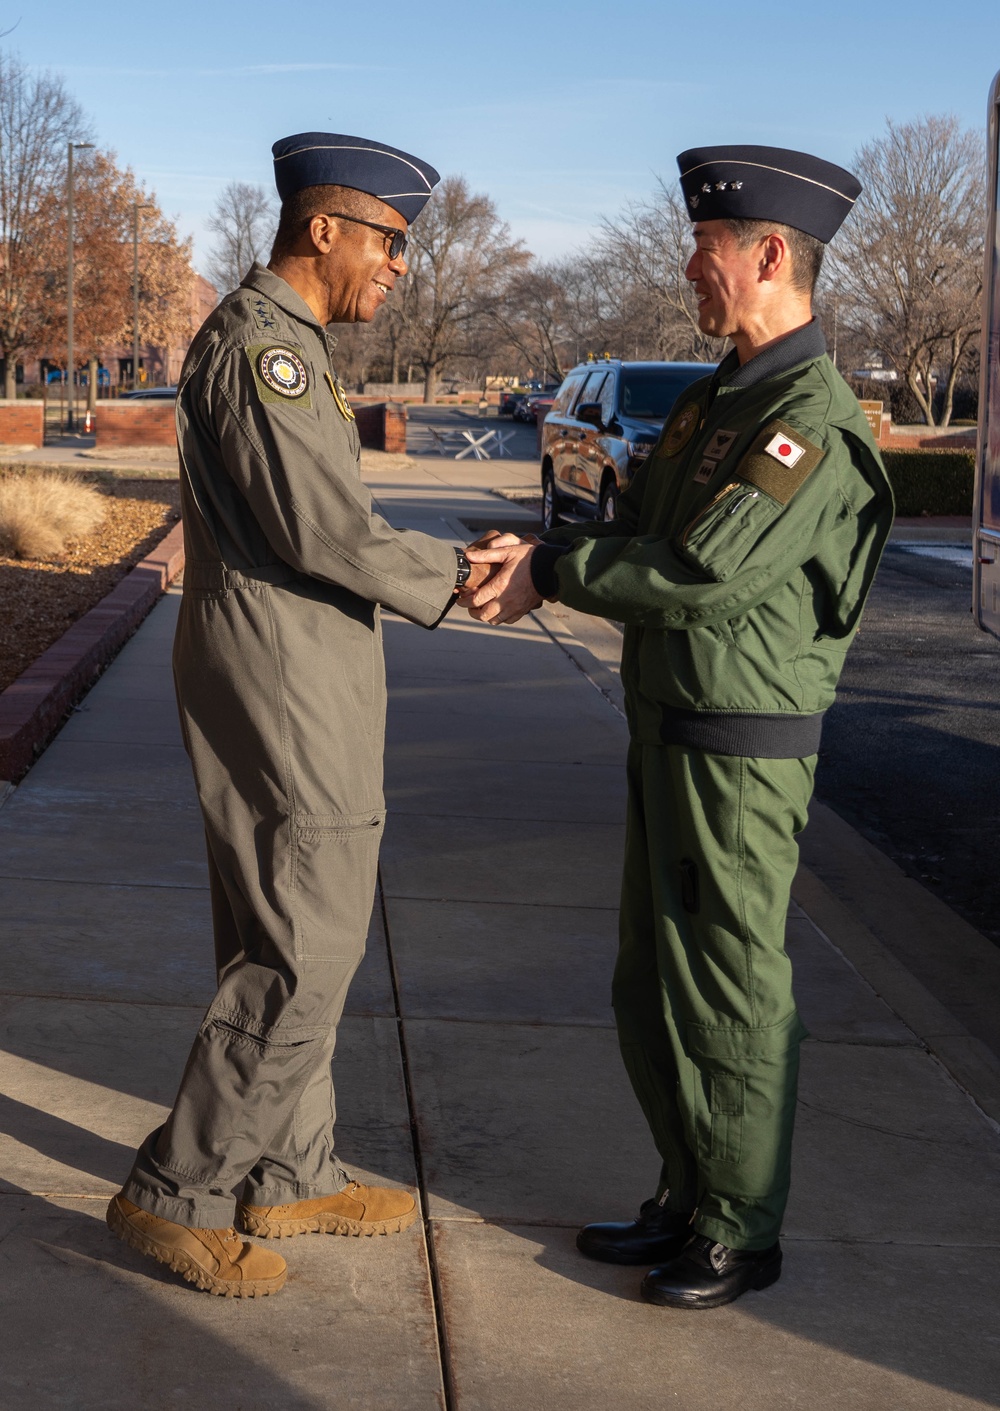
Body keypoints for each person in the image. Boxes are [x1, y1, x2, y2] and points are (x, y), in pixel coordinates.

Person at [465, 145, 894, 1310]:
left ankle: (741, 1226)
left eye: (705, 246)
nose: (688, 265)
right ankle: (688, 1195)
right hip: (669, 720)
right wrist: (544, 558)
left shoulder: (805, 419)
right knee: (651, 976)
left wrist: (550, 572)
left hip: (741, 741)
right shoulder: (719, 397)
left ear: (765, 254)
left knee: (730, 985)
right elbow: (638, 534)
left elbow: (701, 571)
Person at [107, 132, 487, 1298]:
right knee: (302, 943)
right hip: (283, 684)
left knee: (291, 930)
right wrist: (463, 578)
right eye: (390, 241)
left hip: (298, 673)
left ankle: (288, 1167)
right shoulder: (265, 356)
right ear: (323, 230)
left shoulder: (288, 347)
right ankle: (179, 1188)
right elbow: (322, 530)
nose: (399, 267)